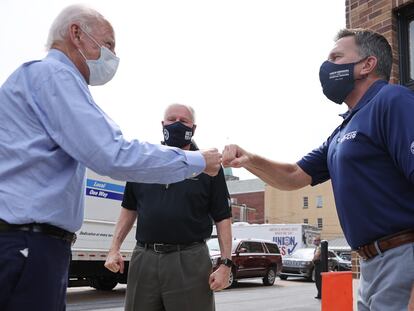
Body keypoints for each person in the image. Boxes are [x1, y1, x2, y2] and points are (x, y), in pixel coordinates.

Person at [0, 5, 222, 311]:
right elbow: (113, 154)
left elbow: (222, 214)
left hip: (33, 243)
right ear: (76, 34)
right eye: (108, 44)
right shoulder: (54, 77)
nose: (113, 57)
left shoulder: (42, 81)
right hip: (29, 243)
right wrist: (199, 162)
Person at [222, 28, 414, 311]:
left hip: (403, 258)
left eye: (336, 57)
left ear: (367, 65)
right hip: (371, 266)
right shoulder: (343, 131)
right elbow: (292, 176)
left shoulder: (392, 101)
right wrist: (249, 159)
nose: (327, 66)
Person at [104, 103, 232, 311]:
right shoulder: (145, 162)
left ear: (193, 128)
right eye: (172, 120)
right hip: (144, 258)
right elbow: (129, 208)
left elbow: (223, 217)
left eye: (184, 121)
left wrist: (226, 265)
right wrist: (114, 249)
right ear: (163, 124)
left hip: (189, 260)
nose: (177, 124)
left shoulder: (209, 167)